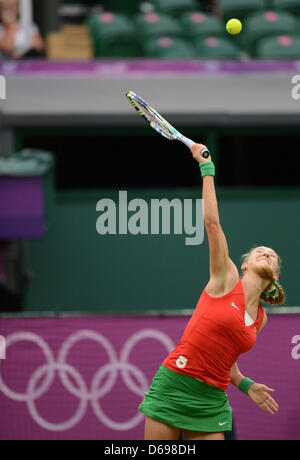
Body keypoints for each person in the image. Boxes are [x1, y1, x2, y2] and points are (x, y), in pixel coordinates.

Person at [139, 143, 284, 441]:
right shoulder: (226, 278)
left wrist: (245, 385)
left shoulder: (261, 319)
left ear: (276, 276)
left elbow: (225, 359)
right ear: (244, 265)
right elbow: (212, 224)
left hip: (211, 402)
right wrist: (207, 170)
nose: (266, 254)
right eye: (260, 252)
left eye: (271, 255)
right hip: (175, 384)